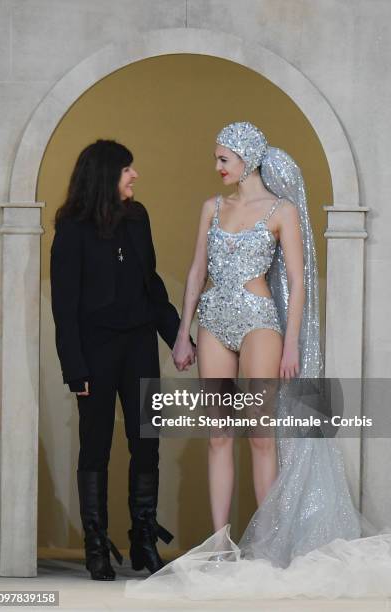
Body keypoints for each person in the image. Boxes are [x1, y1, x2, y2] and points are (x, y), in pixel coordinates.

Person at [125, 123, 391, 599]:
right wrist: (182, 332)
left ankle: (267, 545)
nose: (217, 167)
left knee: (261, 435)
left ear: (247, 158)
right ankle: (222, 545)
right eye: (217, 158)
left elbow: (298, 279)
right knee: (219, 434)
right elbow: (195, 272)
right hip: (213, 322)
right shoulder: (212, 207)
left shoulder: (282, 210)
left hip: (260, 322)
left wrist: (291, 344)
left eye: (223, 158)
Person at [50, 139, 195, 581]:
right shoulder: (71, 227)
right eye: (128, 170)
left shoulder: (137, 218)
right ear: (106, 175)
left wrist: (178, 339)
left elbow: (150, 286)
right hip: (93, 352)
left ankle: (143, 542)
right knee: (95, 448)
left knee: (146, 443)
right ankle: (96, 546)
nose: (135, 176)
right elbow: (64, 304)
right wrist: (74, 369)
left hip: (137, 346)